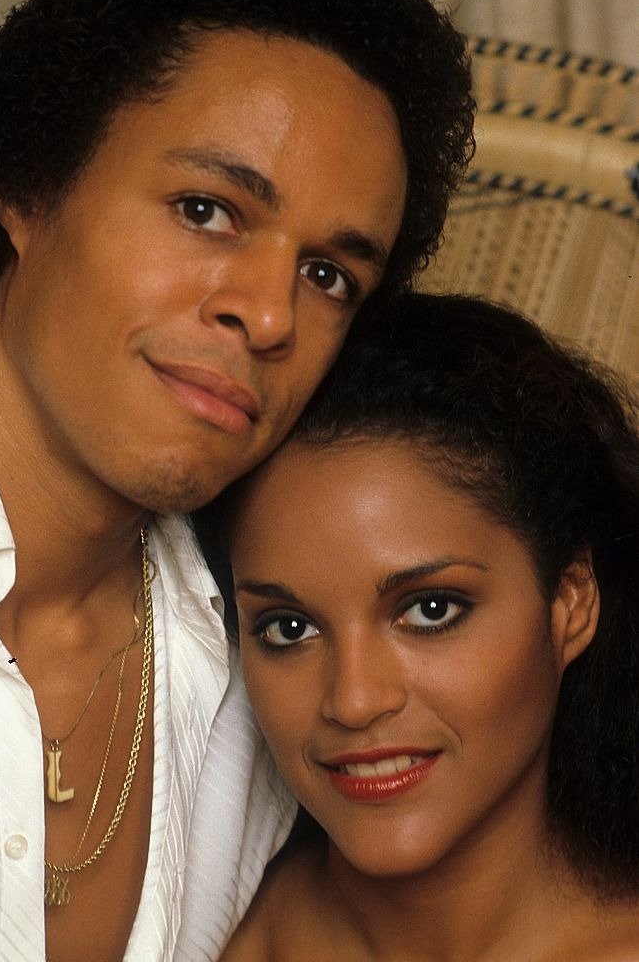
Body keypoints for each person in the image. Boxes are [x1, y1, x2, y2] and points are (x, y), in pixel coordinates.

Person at [0, 0, 474, 957]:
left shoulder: (282, 665)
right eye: (207, 211)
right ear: (28, 186)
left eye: (328, 275)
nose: (268, 314)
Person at [217, 293, 639, 961]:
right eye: (288, 628)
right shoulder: (192, 928)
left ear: (570, 601)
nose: (353, 701)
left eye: (429, 611)